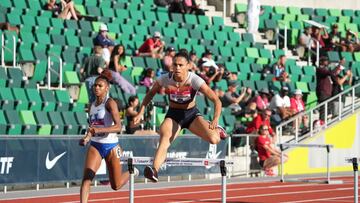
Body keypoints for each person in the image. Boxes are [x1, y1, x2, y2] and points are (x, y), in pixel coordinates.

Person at [133, 52, 227, 182]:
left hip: (191, 115)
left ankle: (217, 129)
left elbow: (216, 100)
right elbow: (150, 94)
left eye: (181, 65)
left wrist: (216, 119)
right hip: (174, 115)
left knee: (214, 139)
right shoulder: (165, 78)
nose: (177, 68)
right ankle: (154, 170)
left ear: (188, 66)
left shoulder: (195, 80)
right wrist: (140, 112)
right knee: (164, 135)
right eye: (175, 65)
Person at [79, 70, 138, 202]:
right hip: (95, 145)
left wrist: (99, 130)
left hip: (111, 146)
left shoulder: (110, 103)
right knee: (86, 179)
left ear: (107, 88)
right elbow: (92, 127)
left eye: (100, 86)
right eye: (95, 85)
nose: (96, 88)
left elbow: (118, 127)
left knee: (115, 186)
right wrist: (87, 138)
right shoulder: (92, 106)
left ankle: (132, 171)